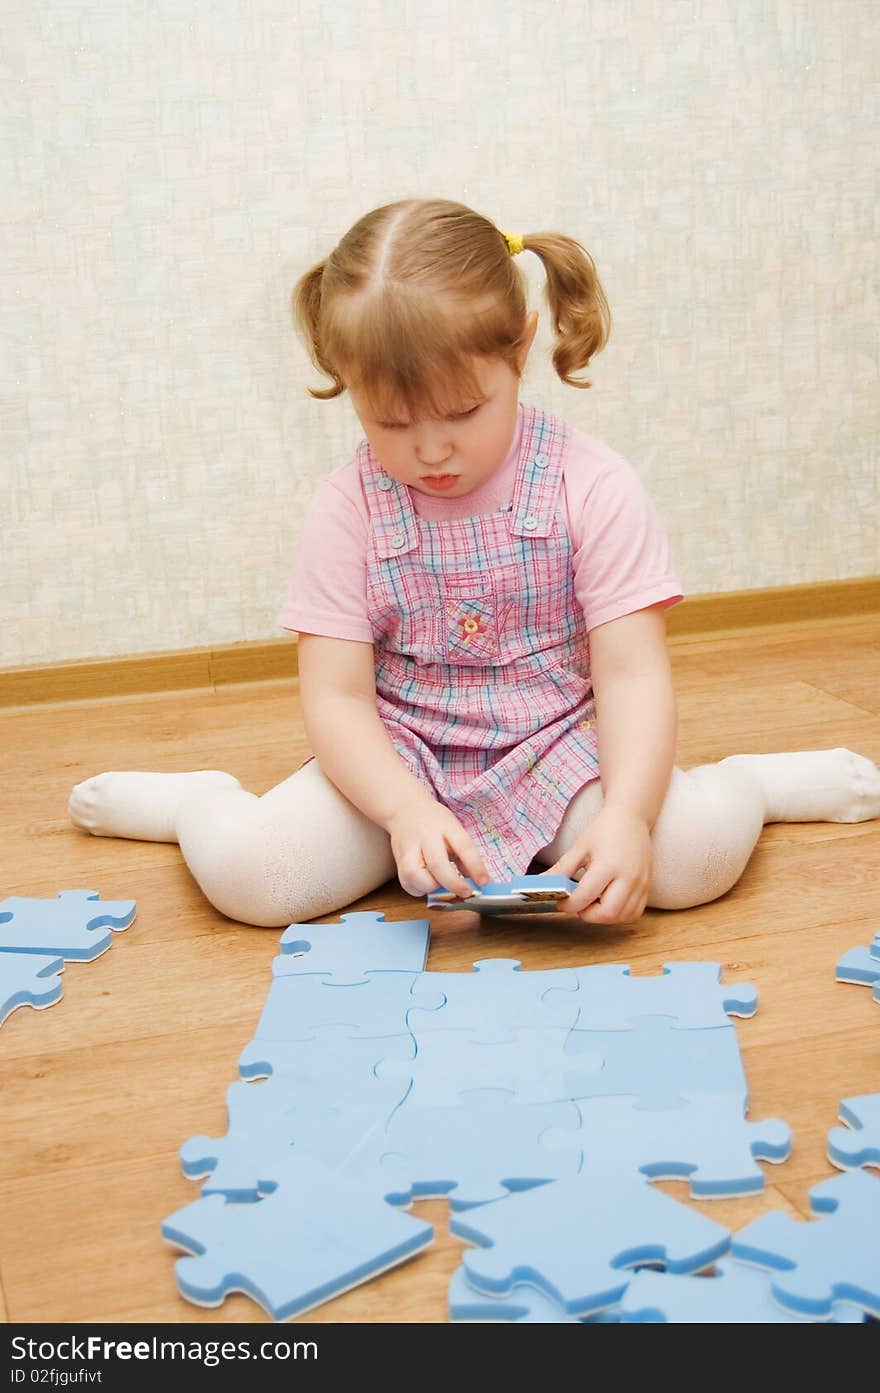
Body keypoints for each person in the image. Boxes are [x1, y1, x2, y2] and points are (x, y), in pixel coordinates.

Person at [68, 198, 880, 928]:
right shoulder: (347, 505)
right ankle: (200, 803)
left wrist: (629, 816)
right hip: (401, 751)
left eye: (462, 411)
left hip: (559, 744)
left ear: (520, 349)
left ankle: (751, 786)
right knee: (257, 880)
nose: (430, 450)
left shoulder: (592, 486)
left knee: (687, 860)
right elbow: (337, 695)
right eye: (389, 421)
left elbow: (633, 677)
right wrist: (403, 811)